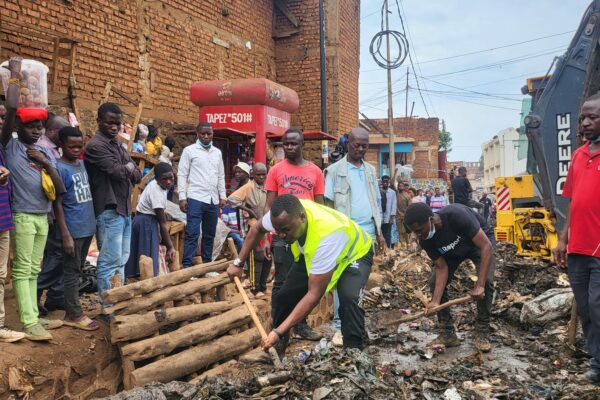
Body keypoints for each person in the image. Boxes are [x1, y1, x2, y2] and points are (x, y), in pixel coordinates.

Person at [227, 195, 373, 355]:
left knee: (349, 298)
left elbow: (314, 295)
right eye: (278, 231)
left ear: (302, 218)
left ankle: (354, 352)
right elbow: (257, 229)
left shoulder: (327, 235)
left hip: (354, 252)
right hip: (314, 253)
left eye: (286, 230)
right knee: (285, 296)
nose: (281, 235)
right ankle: (275, 351)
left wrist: (279, 331)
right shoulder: (282, 216)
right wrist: (238, 263)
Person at [1, 57, 65, 340]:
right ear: (18, 126)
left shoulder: (44, 152)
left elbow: (57, 186)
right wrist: (15, 76)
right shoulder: (12, 146)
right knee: (23, 268)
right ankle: (28, 321)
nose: (37, 131)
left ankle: (35, 314)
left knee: (34, 268)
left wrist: (44, 161)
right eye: (31, 126)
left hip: (42, 215)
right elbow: (13, 107)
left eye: (40, 126)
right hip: (23, 215)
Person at [553, 93, 600, 383]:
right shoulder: (579, 154)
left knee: (598, 304)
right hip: (578, 248)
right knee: (585, 307)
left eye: (592, 117)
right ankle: (597, 362)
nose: (584, 123)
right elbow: (573, 201)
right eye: (582, 117)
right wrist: (562, 239)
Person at [405, 202, 495, 352]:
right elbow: (442, 267)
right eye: (415, 232)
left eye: (420, 230)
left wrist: (479, 285)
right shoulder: (425, 240)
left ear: (430, 220)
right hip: (452, 252)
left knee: (486, 281)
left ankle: (482, 331)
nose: (418, 235)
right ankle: (448, 334)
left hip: (478, 245)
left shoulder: (457, 215)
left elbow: (486, 246)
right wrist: (435, 302)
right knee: (434, 283)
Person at [324, 127, 385, 344]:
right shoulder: (334, 171)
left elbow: (375, 201)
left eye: (364, 146)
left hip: (367, 233)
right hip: (346, 235)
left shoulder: (370, 170)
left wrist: (380, 233)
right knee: (345, 278)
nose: (360, 149)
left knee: (358, 281)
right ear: (347, 144)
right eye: (356, 145)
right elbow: (329, 205)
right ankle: (341, 326)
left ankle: (354, 323)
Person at [264, 127, 325, 341]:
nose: (289, 147)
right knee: (281, 281)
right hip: (282, 235)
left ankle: (301, 325)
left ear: (302, 145)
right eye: (285, 144)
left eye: (293, 143)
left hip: (306, 236)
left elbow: (320, 206)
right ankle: (278, 328)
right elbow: (268, 206)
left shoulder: (315, 172)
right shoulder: (275, 170)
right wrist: (266, 236)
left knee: (305, 282)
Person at [85, 102, 142, 315]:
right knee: (109, 261)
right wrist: (127, 168)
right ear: (99, 121)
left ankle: (118, 304)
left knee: (122, 260)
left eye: (118, 123)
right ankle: (107, 308)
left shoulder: (116, 144)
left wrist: (128, 168)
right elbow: (118, 172)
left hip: (124, 209)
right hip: (109, 210)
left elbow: (136, 174)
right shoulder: (96, 146)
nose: (114, 127)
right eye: (110, 122)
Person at [53, 127, 99, 331]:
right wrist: (65, 235)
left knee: (78, 268)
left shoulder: (81, 164)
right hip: (72, 229)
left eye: (79, 146)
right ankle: (73, 314)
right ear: (61, 145)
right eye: (71, 146)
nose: (75, 150)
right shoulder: (59, 168)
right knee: (71, 271)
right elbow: (58, 204)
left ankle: (70, 306)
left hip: (87, 226)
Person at [178, 122, 226, 266]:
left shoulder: (217, 152)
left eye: (209, 134)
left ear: (212, 134)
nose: (206, 136)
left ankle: (207, 267)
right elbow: (182, 174)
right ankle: (187, 267)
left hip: (213, 200)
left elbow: (221, 176)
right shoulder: (189, 151)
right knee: (192, 233)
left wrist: (222, 195)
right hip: (195, 198)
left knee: (210, 234)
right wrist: (182, 197)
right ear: (197, 134)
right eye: (203, 133)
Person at [36, 113, 70, 316]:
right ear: (52, 131)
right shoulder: (43, 149)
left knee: (55, 256)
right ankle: (35, 292)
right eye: (62, 133)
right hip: (49, 212)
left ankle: (55, 297)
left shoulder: (53, 149)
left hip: (57, 212)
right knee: (56, 255)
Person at [126, 162, 177, 278]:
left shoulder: (160, 185)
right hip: (145, 223)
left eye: (171, 178)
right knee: (147, 260)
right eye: (165, 179)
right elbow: (163, 223)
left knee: (142, 257)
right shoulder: (156, 191)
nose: (169, 181)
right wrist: (170, 247)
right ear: (157, 178)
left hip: (145, 220)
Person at [380, 175, 397, 248]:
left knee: (388, 234)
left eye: (387, 182)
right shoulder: (378, 191)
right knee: (381, 234)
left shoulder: (392, 192)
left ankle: (389, 248)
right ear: (382, 182)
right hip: (380, 216)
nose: (385, 183)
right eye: (384, 182)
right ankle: (382, 249)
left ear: (389, 182)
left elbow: (394, 204)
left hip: (388, 217)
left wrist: (391, 216)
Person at [396, 181, 411, 247]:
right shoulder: (396, 194)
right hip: (397, 216)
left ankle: (408, 243)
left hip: (405, 216)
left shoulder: (407, 196)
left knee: (405, 231)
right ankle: (402, 245)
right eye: (399, 186)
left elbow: (409, 207)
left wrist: (408, 215)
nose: (400, 187)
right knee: (400, 231)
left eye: (401, 186)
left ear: (403, 187)